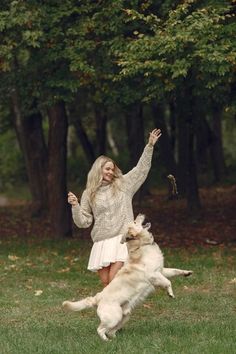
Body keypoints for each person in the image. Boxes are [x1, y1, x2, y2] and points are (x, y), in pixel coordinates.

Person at [68, 128, 161, 287]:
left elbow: (140, 170)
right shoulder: (89, 193)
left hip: (122, 240)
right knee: (106, 282)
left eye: (112, 169)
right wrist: (75, 206)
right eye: (107, 169)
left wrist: (149, 147)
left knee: (113, 280)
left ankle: (119, 309)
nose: (111, 172)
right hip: (102, 242)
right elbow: (83, 222)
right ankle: (117, 309)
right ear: (99, 170)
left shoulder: (123, 185)